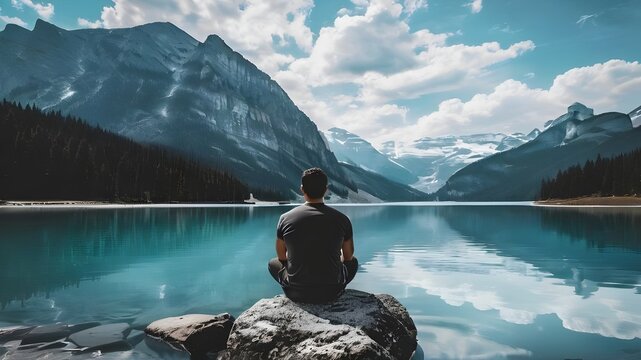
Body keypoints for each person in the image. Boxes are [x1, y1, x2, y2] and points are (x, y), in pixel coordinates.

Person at [268, 167, 358, 303]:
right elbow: (348, 257)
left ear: (302, 189)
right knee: (354, 262)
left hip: (295, 292)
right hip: (332, 292)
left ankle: (296, 283)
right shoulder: (342, 219)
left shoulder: (285, 218)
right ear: (326, 189)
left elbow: (281, 256)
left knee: (272, 263)